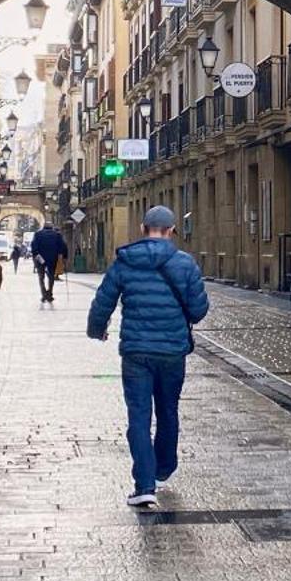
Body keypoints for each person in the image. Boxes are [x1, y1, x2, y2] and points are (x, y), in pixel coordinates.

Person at [87, 205, 210, 508]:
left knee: (139, 416)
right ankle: (163, 467)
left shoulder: (125, 262)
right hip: (172, 352)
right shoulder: (185, 264)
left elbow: (104, 300)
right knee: (168, 410)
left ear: (143, 229)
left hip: (136, 353)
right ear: (171, 232)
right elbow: (198, 310)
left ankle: (144, 485)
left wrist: (96, 329)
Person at [30, 222, 68, 306]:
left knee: (41, 277)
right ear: (52, 227)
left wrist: (36, 255)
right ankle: (50, 293)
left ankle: (44, 294)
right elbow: (63, 246)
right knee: (51, 277)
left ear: (44, 227)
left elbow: (33, 246)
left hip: (41, 259)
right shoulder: (57, 235)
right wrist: (64, 257)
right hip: (52, 259)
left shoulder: (38, 234)